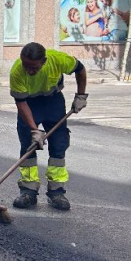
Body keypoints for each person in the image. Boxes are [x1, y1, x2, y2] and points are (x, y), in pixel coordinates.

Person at [9, 42, 88, 211]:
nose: (28, 70)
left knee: (59, 145)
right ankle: (28, 191)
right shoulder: (17, 71)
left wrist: (81, 96)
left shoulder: (58, 60)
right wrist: (34, 130)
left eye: (33, 67)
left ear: (44, 61)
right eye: (25, 65)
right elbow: (21, 103)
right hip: (29, 104)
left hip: (53, 102)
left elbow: (80, 70)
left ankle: (57, 192)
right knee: (28, 145)